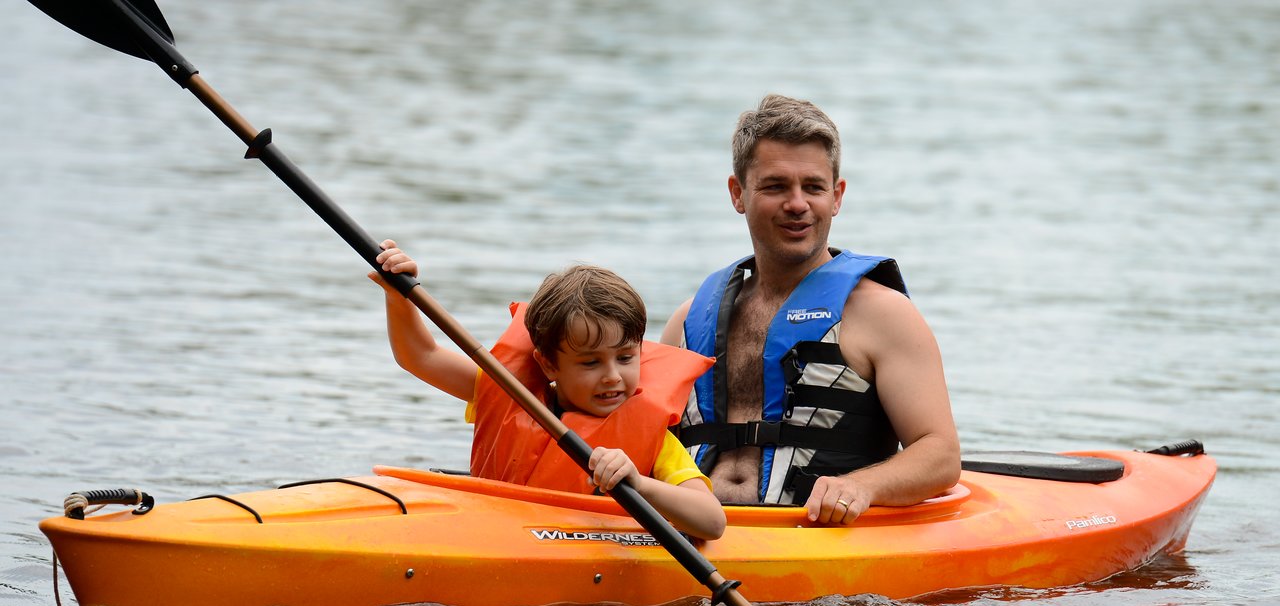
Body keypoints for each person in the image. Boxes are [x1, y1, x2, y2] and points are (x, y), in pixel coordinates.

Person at [660, 94, 960, 524]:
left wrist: (861, 486)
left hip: (812, 539)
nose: (797, 203)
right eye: (776, 186)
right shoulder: (688, 323)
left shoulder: (884, 316)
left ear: (836, 196)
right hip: (694, 533)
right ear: (737, 193)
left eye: (813, 187)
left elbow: (941, 455)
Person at [370, 241, 727, 541]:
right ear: (549, 364)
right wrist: (398, 296)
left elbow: (712, 522)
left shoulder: (653, 438)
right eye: (590, 363)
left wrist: (639, 483)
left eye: (625, 357)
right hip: (490, 535)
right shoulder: (508, 392)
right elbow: (421, 355)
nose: (612, 376)